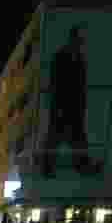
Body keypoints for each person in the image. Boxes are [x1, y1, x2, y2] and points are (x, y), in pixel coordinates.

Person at [41, 25, 89, 176]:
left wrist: (82, 104)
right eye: (79, 39)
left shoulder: (79, 58)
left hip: (74, 105)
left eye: (81, 40)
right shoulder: (61, 56)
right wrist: (58, 106)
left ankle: (81, 166)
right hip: (62, 104)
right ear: (73, 38)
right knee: (56, 138)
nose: (81, 43)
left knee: (77, 138)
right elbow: (56, 83)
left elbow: (81, 84)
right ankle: (48, 168)